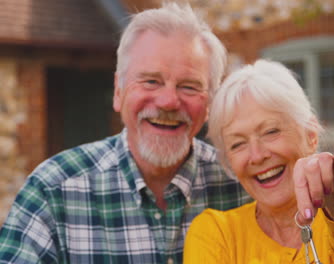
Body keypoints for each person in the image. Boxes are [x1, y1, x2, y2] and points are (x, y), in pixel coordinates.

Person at [0, 3, 251, 263]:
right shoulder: (52, 190)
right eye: (151, 81)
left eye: (188, 86)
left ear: (209, 104)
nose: (168, 101)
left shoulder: (242, 186)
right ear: (119, 92)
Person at [183, 59, 334, 263]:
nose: (257, 156)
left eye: (271, 131)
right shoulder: (214, 233)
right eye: (237, 144)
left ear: (311, 135)